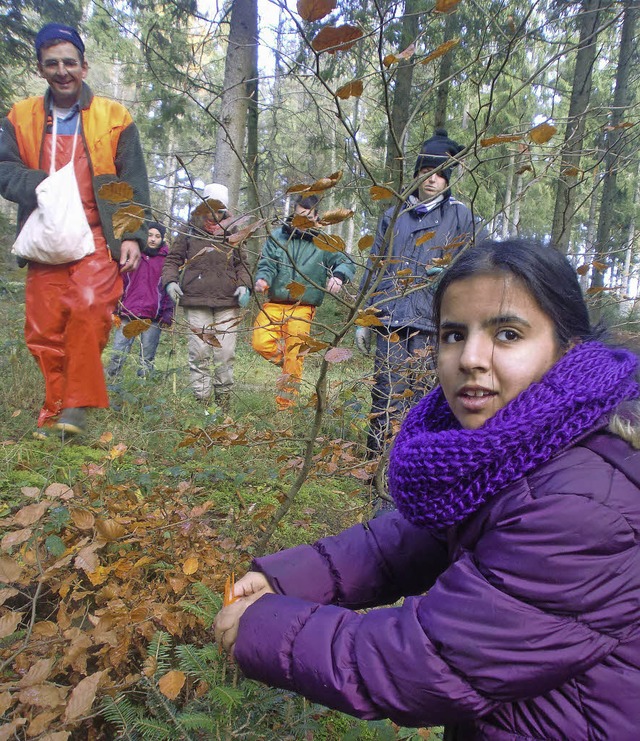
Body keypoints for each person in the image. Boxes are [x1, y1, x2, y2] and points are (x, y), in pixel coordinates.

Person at [214, 239, 640, 739]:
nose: (471, 358)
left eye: (507, 333)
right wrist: (290, 580)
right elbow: (419, 536)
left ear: (568, 347)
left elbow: (426, 662)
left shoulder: (585, 504)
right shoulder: (523, 445)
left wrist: (261, 626)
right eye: (453, 334)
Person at [0, 22, 149, 437]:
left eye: (69, 62)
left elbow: (134, 179)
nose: (62, 70)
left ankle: (77, 406)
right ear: (40, 69)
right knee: (43, 328)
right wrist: (38, 185)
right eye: (52, 64)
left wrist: (134, 234)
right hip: (45, 234)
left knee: (88, 307)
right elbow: (4, 169)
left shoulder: (114, 116)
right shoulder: (20, 116)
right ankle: (55, 414)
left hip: (97, 235)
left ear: (84, 66)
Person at [356, 129, 486, 461]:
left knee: (427, 397)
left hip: (435, 322)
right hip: (391, 318)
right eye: (426, 171)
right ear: (416, 173)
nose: (432, 180)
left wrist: (450, 274)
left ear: (448, 180)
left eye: (440, 175)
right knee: (386, 393)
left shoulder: (462, 217)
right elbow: (376, 265)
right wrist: (363, 316)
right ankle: (379, 467)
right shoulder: (393, 214)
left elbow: (479, 265)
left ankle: (415, 463)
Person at [252, 194, 355, 410]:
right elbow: (267, 264)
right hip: (275, 302)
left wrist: (338, 275)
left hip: (303, 307)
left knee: (295, 354)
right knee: (261, 343)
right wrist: (263, 279)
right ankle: (287, 363)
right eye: (299, 216)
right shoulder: (278, 236)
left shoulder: (325, 242)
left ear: (316, 217)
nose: (302, 221)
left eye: (307, 216)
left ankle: (285, 405)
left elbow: (345, 261)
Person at [161, 183, 251, 412]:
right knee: (199, 352)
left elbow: (243, 264)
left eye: (219, 207)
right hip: (196, 299)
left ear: (224, 208)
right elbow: (173, 259)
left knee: (225, 353)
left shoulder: (234, 231)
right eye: (210, 205)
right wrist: (170, 281)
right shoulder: (188, 228)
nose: (214, 211)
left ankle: (223, 405)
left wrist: (244, 286)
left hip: (227, 301)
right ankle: (202, 405)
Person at [107, 222, 174, 379]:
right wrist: (114, 308)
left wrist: (168, 313)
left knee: (147, 357)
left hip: (153, 317)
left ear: (162, 239)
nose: (152, 239)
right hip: (127, 313)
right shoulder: (132, 255)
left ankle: (144, 388)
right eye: (150, 235)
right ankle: (111, 385)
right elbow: (119, 283)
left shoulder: (167, 261)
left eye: (157, 236)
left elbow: (168, 289)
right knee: (118, 352)